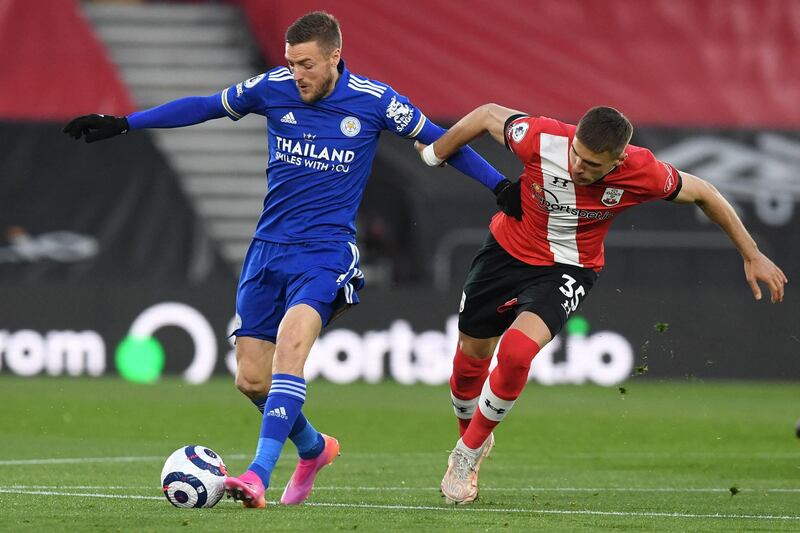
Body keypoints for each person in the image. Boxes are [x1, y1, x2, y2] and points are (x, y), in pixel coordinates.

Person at [64, 12, 519, 509]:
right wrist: (127, 123)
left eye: (305, 64)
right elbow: (203, 106)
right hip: (267, 253)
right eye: (290, 63)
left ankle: (257, 474)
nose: (296, 74)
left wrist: (499, 186)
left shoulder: (374, 101)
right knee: (251, 379)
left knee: (291, 345)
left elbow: (440, 141)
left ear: (333, 59)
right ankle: (313, 448)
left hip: (325, 255)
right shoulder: (273, 87)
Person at [416, 104, 788, 504]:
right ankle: (471, 433)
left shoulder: (642, 171)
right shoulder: (542, 138)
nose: (578, 166)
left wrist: (751, 254)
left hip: (569, 268)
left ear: (619, 159)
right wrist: (436, 152)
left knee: (518, 352)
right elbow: (488, 115)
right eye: (576, 153)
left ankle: (467, 454)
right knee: (468, 365)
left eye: (593, 164)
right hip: (504, 254)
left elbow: (704, 192)